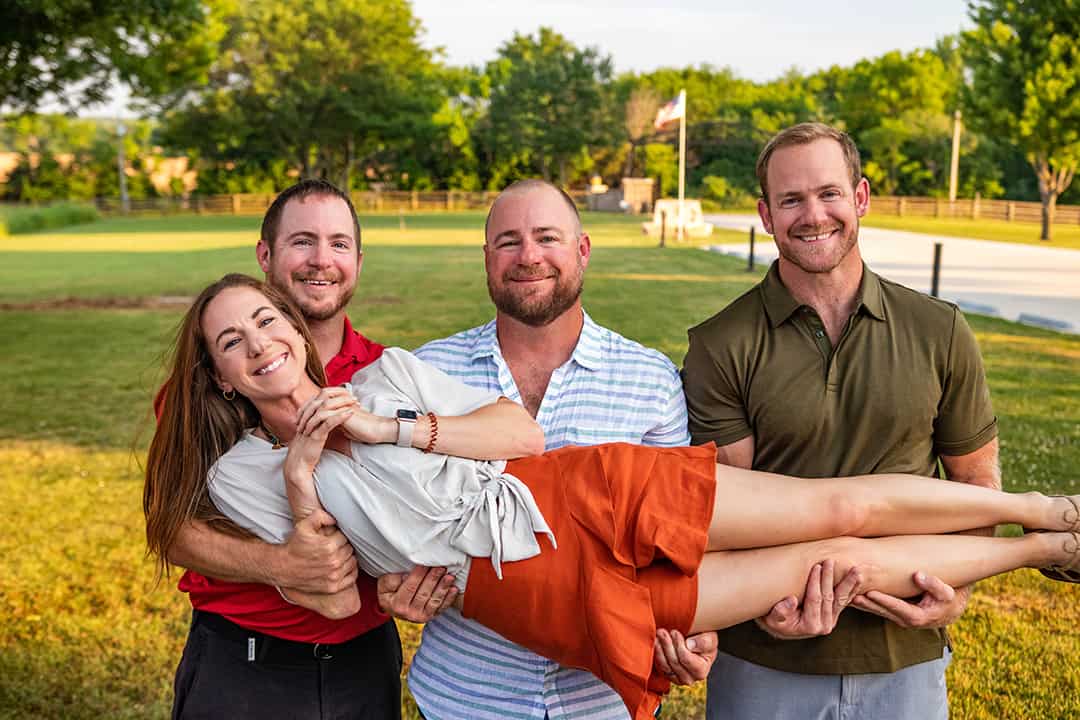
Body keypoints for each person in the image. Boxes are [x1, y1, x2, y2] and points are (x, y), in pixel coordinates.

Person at [144, 272, 1079, 720]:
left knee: (834, 507)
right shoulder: (244, 476)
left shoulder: (390, 373)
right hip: (525, 588)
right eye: (232, 341)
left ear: (293, 331)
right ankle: (1044, 553)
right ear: (221, 376)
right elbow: (329, 579)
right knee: (824, 562)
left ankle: (1044, 511)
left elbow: (520, 435)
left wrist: (387, 428)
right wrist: (307, 468)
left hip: (581, 491)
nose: (259, 341)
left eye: (265, 319)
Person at [681, 122, 1004, 720]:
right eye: (791, 200)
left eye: (828, 193)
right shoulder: (719, 344)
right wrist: (761, 612)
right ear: (765, 215)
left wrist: (955, 591)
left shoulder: (940, 330)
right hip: (763, 663)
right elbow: (725, 515)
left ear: (860, 197)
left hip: (904, 657)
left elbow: (977, 488)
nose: (812, 214)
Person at [403, 178, 720, 720]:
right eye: (508, 241)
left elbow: (682, 534)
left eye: (547, 237)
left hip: (599, 701)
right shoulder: (425, 373)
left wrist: (698, 632)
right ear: (486, 258)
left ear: (583, 250)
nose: (528, 256)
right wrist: (398, 590)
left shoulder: (649, 379)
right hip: (464, 696)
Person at [153, 180, 452, 719]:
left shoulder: (386, 374)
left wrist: (412, 583)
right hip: (244, 666)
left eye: (339, 244)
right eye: (302, 242)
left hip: (365, 665)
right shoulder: (208, 390)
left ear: (358, 260)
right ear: (265, 255)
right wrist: (282, 563)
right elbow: (169, 526)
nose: (321, 261)